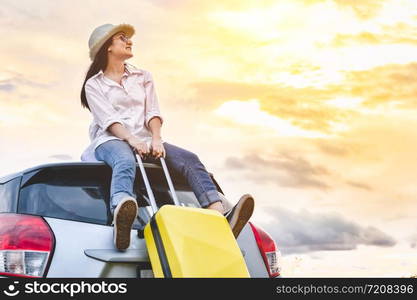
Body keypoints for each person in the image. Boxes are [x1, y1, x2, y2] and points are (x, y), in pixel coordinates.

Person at [80, 23, 254, 251]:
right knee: (125, 160)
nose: (129, 41)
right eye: (122, 38)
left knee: (189, 159)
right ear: (108, 47)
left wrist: (156, 138)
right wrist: (132, 140)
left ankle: (219, 217)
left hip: (145, 139)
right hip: (110, 141)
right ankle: (121, 213)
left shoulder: (143, 76)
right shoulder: (94, 85)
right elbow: (109, 120)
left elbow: (153, 111)